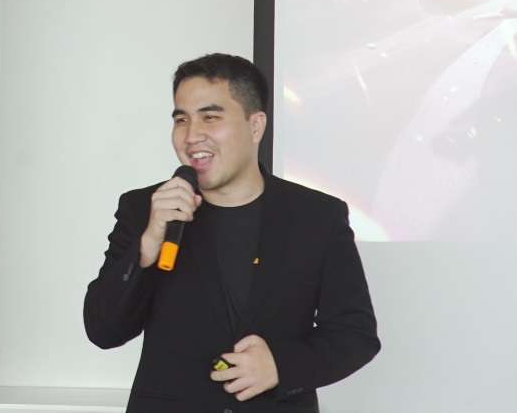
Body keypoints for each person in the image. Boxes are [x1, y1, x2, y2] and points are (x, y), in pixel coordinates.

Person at [83, 53, 379, 413]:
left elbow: (355, 335)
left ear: (255, 126)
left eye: (210, 117)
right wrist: (148, 244)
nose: (192, 136)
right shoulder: (143, 209)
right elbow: (103, 330)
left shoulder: (317, 216)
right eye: (181, 119)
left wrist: (281, 367)